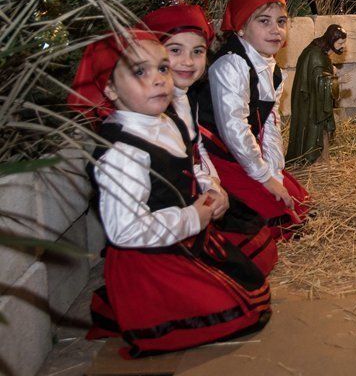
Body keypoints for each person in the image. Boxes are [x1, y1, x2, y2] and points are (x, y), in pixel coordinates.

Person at [68, 31, 270, 358]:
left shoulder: (164, 122)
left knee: (252, 277)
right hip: (148, 255)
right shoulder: (122, 153)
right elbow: (125, 230)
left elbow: (191, 165)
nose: (159, 80)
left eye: (163, 68)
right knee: (237, 312)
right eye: (140, 72)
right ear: (109, 88)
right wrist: (192, 217)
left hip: (182, 232)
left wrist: (211, 190)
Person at [141, 5, 278, 275]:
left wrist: (213, 187)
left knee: (262, 245)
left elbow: (197, 151)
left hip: (193, 194)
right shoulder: (150, 111)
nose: (188, 62)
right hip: (165, 212)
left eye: (198, 51)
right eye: (175, 50)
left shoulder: (185, 97)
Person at [194, 0, 310, 239]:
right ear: (242, 28)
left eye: (281, 21)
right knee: (273, 213)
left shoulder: (273, 69)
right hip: (220, 153)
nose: (275, 30)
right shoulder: (231, 65)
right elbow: (233, 128)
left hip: (244, 151)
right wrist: (262, 176)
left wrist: (274, 171)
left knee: (297, 200)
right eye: (264, 21)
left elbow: (270, 123)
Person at [285, 24, 347, 165]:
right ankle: (316, 161)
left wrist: (331, 71)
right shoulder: (315, 55)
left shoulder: (322, 53)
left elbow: (321, 74)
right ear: (331, 40)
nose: (343, 46)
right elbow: (318, 82)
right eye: (340, 43)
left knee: (323, 130)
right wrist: (336, 80)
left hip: (316, 102)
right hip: (311, 104)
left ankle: (323, 159)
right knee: (317, 129)